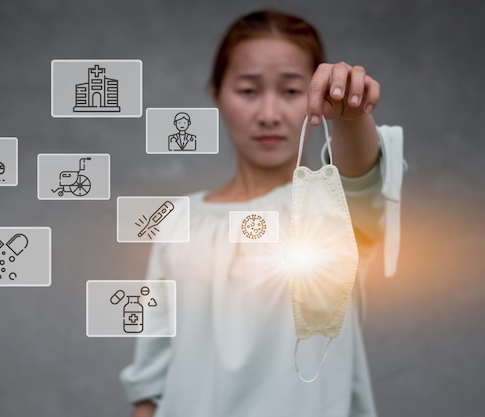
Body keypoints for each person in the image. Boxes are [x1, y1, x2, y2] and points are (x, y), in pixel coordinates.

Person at [121, 9, 404, 417]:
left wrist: (350, 116)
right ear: (217, 93)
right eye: (249, 91)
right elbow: (150, 380)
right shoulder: (175, 222)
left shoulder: (328, 211)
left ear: (316, 99)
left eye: (292, 91)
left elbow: (363, 181)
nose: (268, 114)